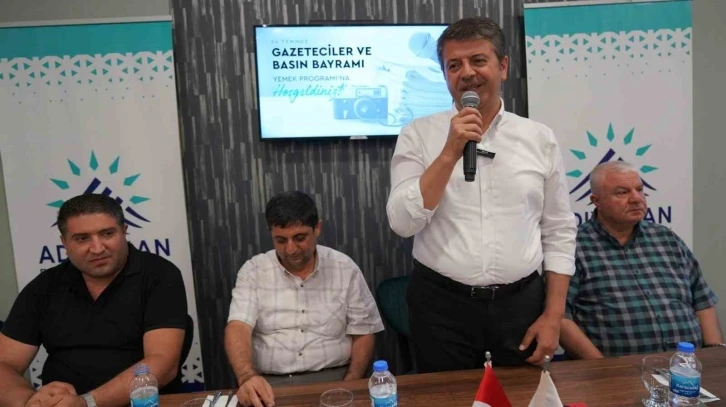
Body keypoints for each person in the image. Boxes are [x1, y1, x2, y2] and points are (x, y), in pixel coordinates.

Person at [386, 16, 576, 372]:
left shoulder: (538, 138)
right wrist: (449, 152)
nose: (467, 73)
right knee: (445, 397)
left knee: (522, 395)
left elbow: (559, 230)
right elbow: (402, 222)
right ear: (445, 75)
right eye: (454, 65)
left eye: (478, 60)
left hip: (521, 306)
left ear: (503, 67)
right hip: (442, 307)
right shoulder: (417, 134)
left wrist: (554, 316)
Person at [0, 194, 188, 407]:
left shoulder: (159, 275)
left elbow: (163, 363)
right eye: (82, 238)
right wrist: (30, 402)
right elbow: (4, 363)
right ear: (64, 242)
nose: (97, 248)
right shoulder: (44, 286)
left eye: (107, 233)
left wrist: (86, 402)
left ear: (124, 231)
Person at [225, 191, 384, 407]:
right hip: (269, 385)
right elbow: (238, 327)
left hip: (335, 379)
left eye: (299, 238)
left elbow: (363, 331)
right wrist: (247, 377)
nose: (290, 249)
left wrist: (351, 381)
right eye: (281, 240)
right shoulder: (253, 271)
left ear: (317, 228)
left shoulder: (344, 268)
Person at [560, 161, 724, 358]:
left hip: (686, 367)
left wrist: (715, 357)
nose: (636, 198)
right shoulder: (573, 246)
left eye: (639, 189)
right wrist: (601, 368)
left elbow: (703, 303)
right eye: (622, 192)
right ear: (597, 201)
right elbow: (560, 318)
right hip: (613, 371)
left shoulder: (667, 238)